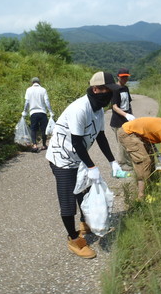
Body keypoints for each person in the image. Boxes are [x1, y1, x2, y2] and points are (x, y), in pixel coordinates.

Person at [46, 71, 122, 259]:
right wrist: (91, 167)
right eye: (107, 90)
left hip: (78, 157)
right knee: (69, 200)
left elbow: (101, 136)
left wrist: (112, 161)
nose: (110, 94)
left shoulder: (98, 110)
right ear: (96, 89)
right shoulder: (80, 109)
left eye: (112, 90)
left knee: (84, 191)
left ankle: (85, 223)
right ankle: (74, 240)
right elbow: (77, 143)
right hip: (62, 158)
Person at [117, 117, 161, 199]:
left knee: (151, 158)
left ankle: (150, 186)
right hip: (127, 133)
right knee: (144, 161)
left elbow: (150, 140)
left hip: (136, 133)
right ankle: (141, 196)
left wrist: (158, 156)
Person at [110, 68, 135, 170]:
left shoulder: (126, 88)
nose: (125, 79)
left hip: (126, 120)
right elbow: (114, 106)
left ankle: (129, 161)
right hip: (117, 121)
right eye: (122, 77)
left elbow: (128, 104)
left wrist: (131, 115)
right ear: (118, 77)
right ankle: (121, 163)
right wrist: (126, 115)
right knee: (121, 143)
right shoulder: (115, 89)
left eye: (126, 77)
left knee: (129, 141)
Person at [22, 77, 54, 152]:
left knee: (33, 129)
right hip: (42, 112)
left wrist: (25, 111)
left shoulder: (28, 90)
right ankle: (44, 145)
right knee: (44, 129)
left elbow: (26, 102)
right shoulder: (43, 90)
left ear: (32, 82)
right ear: (39, 82)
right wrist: (50, 111)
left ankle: (35, 145)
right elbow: (47, 102)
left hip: (33, 113)